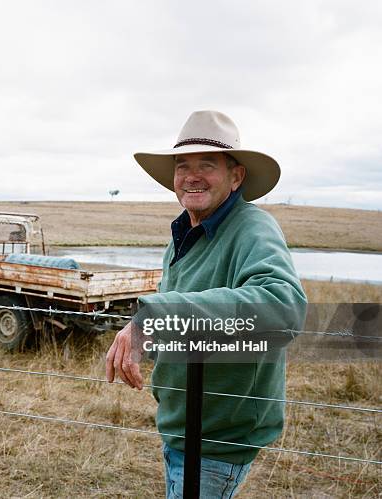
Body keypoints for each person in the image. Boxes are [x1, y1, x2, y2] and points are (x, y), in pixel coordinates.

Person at [105, 110, 307, 498]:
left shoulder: (252, 227)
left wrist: (157, 315)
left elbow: (284, 308)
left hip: (218, 438)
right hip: (184, 427)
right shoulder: (185, 230)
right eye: (183, 166)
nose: (191, 176)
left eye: (207, 165)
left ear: (236, 177)